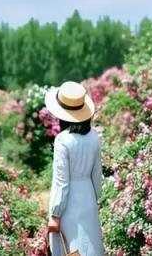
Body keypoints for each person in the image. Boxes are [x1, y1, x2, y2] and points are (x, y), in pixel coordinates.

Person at [44, 81, 105, 256]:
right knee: (89, 246)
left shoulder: (62, 140)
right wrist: (95, 200)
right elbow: (97, 175)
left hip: (68, 202)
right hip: (87, 196)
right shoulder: (94, 137)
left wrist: (55, 214)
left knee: (69, 247)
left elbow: (62, 182)